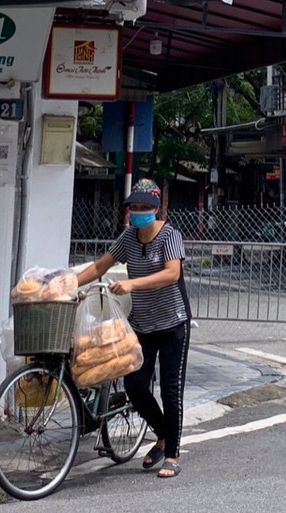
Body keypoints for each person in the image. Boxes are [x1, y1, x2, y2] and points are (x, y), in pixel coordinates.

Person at [76, 179, 191, 478]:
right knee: (135, 385)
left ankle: (173, 455)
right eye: (134, 207)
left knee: (170, 389)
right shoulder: (129, 237)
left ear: (157, 208)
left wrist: (131, 283)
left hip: (173, 323)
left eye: (144, 207)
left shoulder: (170, 236)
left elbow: (171, 273)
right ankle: (164, 435)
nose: (138, 212)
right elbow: (100, 266)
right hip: (142, 324)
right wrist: (67, 283)